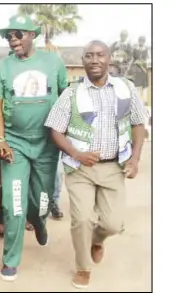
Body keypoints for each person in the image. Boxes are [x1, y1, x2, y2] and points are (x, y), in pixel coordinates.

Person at [45, 40, 147, 289]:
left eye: (100, 55)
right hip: (80, 169)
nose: (94, 60)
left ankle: (97, 240)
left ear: (109, 58)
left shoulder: (126, 88)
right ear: (83, 61)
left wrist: (135, 159)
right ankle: (83, 268)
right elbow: (55, 130)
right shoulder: (71, 92)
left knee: (113, 224)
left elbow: (138, 124)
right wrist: (77, 154)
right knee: (82, 220)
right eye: (89, 55)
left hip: (114, 167)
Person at [0, 15, 68, 281]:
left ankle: (41, 221)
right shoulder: (2, 67)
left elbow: (65, 100)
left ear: (33, 35)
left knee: (42, 201)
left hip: (47, 142)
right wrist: (1, 140)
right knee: (14, 204)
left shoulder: (53, 63)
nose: (13, 40)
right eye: (9, 35)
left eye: (18, 34)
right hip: (15, 144)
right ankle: (10, 260)